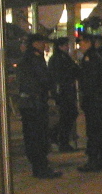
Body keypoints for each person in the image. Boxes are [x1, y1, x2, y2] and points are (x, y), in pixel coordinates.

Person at [16, 34, 61, 178]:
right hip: (35, 104)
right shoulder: (34, 59)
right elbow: (43, 79)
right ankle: (41, 167)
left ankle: (39, 166)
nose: (44, 45)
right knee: (38, 136)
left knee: (33, 136)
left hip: (29, 104)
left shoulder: (28, 58)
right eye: (42, 42)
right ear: (35, 43)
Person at [77, 33, 102, 172]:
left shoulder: (89, 58)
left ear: (88, 43)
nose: (80, 45)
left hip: (94, 100)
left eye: (81, 42)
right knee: (101, 130)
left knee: (94, 131)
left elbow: (89, 81)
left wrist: (86, 97)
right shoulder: (96, 56)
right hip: (100, 100)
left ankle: (93, 160)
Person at [48, 36, 80, 153]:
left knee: (69, 114)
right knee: (67, 115)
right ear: (60, 46)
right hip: (63, 91)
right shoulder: (57, 59)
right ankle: (61, 139)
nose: (68, 47)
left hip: (66, 90)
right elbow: (59, 75)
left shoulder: (65, 57)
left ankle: (59, 136)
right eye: (66, 45)